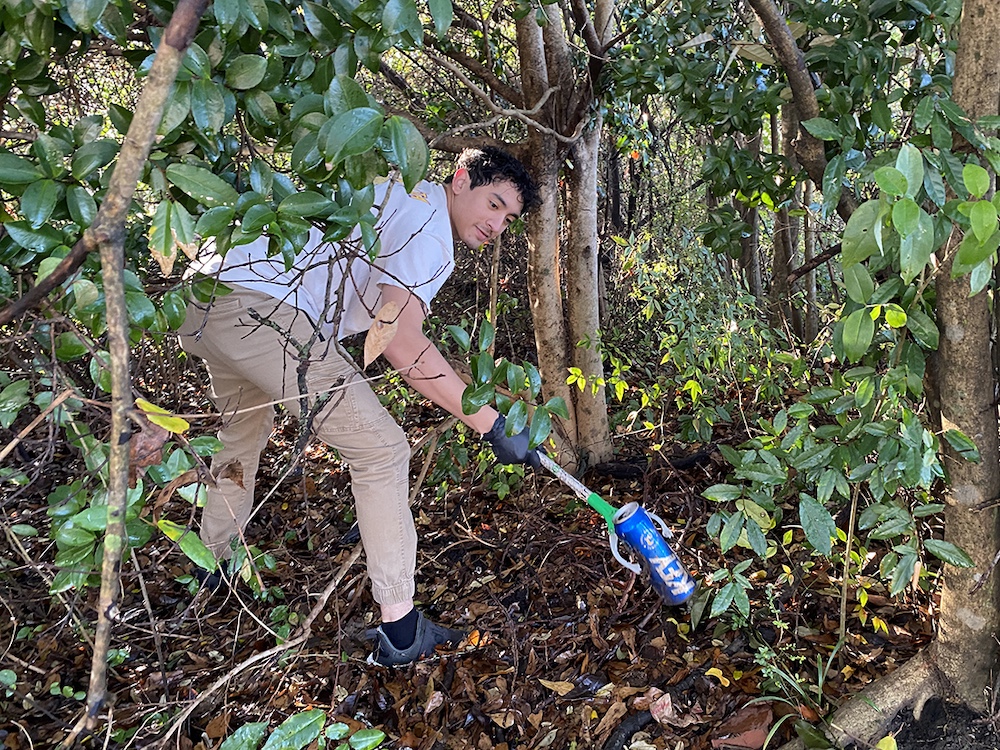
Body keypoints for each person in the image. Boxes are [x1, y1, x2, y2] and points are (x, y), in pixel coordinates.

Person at [178, 146, 542, 666]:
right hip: (258, 308)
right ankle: (401, 629)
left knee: (241, 436)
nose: (497, 225)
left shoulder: (399, 192)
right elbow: (402, 343)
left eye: (508, 218)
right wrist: (491, 423)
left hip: (206, 298)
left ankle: (211, 565)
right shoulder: (429, 223)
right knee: (383, 449)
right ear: (460, 179)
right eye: (495, 204)